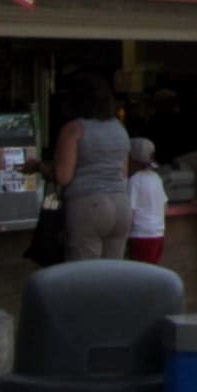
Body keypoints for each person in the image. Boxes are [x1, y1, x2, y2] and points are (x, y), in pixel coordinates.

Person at [40, 73, 131, 261]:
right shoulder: (119, 129)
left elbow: (63, 176)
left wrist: (40, 168)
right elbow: (123, 173)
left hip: (88, 205)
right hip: (121, 205)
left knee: (85, 278)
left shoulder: (74, 129)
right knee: (113, 277)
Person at [124, 137, 167, 264]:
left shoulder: (134, 181)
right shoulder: (156, 178)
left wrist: (125, 234)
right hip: (158, 233)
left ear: (132, 159)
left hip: (140, 234)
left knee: (140, 273)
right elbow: (165, 206)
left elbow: (130, 211)